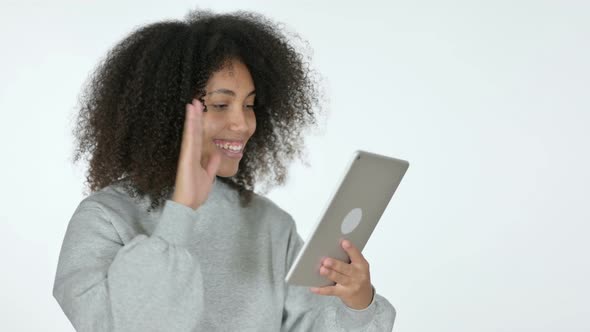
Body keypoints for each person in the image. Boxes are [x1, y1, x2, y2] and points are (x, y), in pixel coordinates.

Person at [52, 8, 396, 331]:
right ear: (164, 113)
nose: (243, 123)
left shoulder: (269, 224)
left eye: (249, 105)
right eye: (220, 104)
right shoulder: (105, 218)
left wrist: (357, 303)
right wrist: (181, 210)